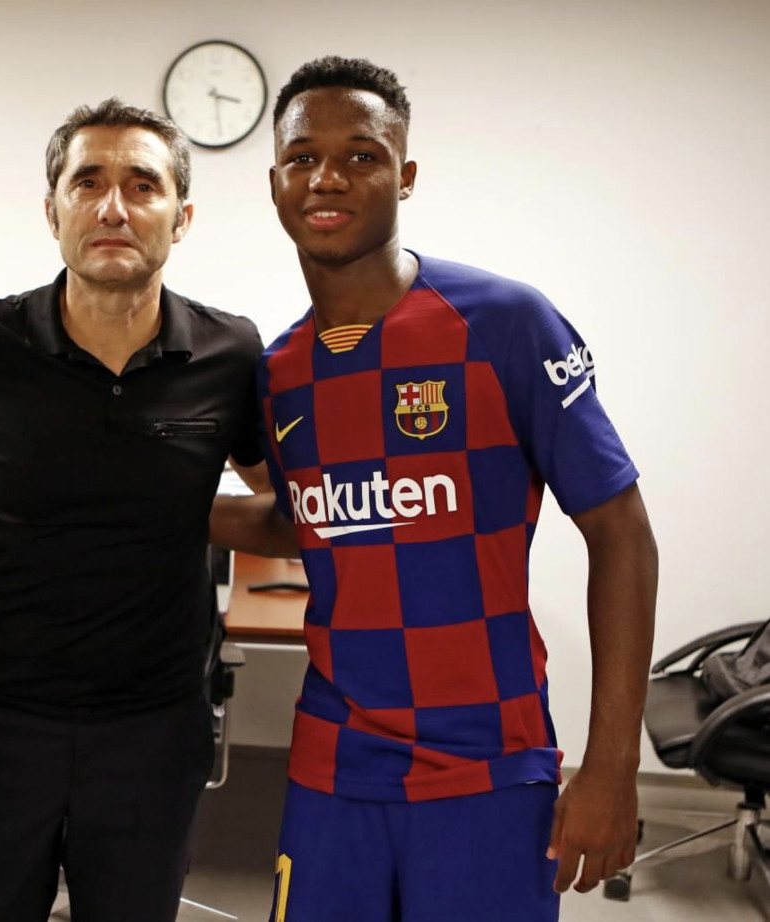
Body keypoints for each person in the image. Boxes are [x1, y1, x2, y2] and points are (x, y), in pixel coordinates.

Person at [250, 56, 659, 921]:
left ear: (406, 174)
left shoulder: (503, 322)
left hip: (489, 759)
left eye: (360, 155)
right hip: (334, 759)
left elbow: (622, 532)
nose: (327, 176)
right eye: (302, 157)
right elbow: (305, 522)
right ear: (276, 181)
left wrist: (613, 763)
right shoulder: (278, 369)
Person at [0, 98, 269, 922]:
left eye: (142, 185)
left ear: (180, 219)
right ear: (53, 210)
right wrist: (6, 519)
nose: (113, 206)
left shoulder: (230, 352)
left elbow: (284, 503)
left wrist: (177, 514)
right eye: (89, 182)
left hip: (155, 725)